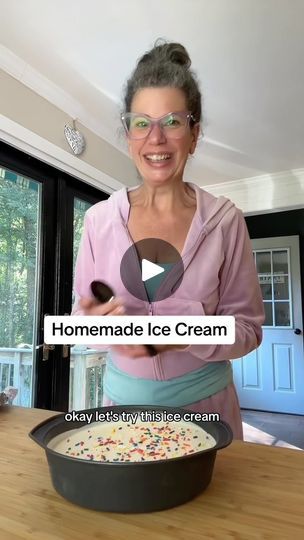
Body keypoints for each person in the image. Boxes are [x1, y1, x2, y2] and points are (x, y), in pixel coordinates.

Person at [72, 40, 265, 439]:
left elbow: (249, 329)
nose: (155, 138)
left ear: (194, 136)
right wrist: (93, 325)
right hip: (120, 413)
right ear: (128, 136)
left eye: (173, 121)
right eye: (142, 123)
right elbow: (80, 319)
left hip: (209, 414)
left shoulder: (226, 223)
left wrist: (189, 335)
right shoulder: (97, 221)